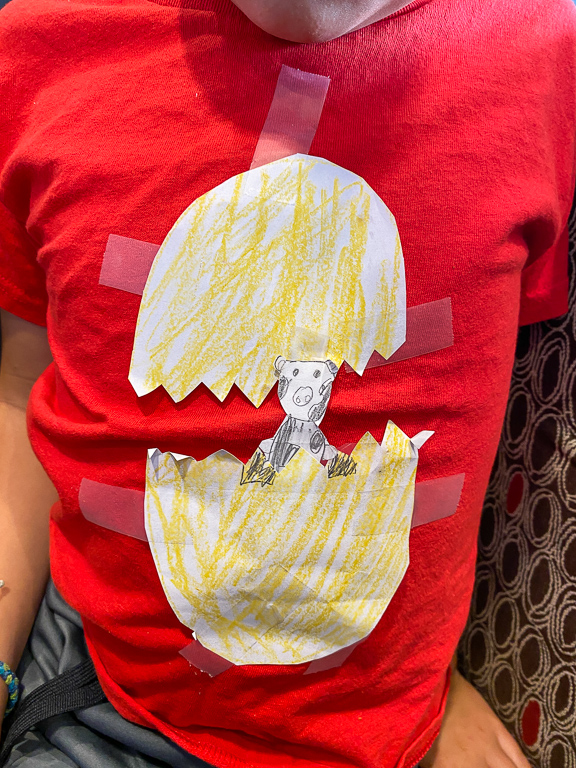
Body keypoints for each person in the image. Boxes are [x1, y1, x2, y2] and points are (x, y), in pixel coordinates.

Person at [0, 0, 574, 767]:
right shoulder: (41, 49)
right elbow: (22, 390)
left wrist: (428, 685)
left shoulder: (542, 56)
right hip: (101, 699)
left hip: (396, 731)